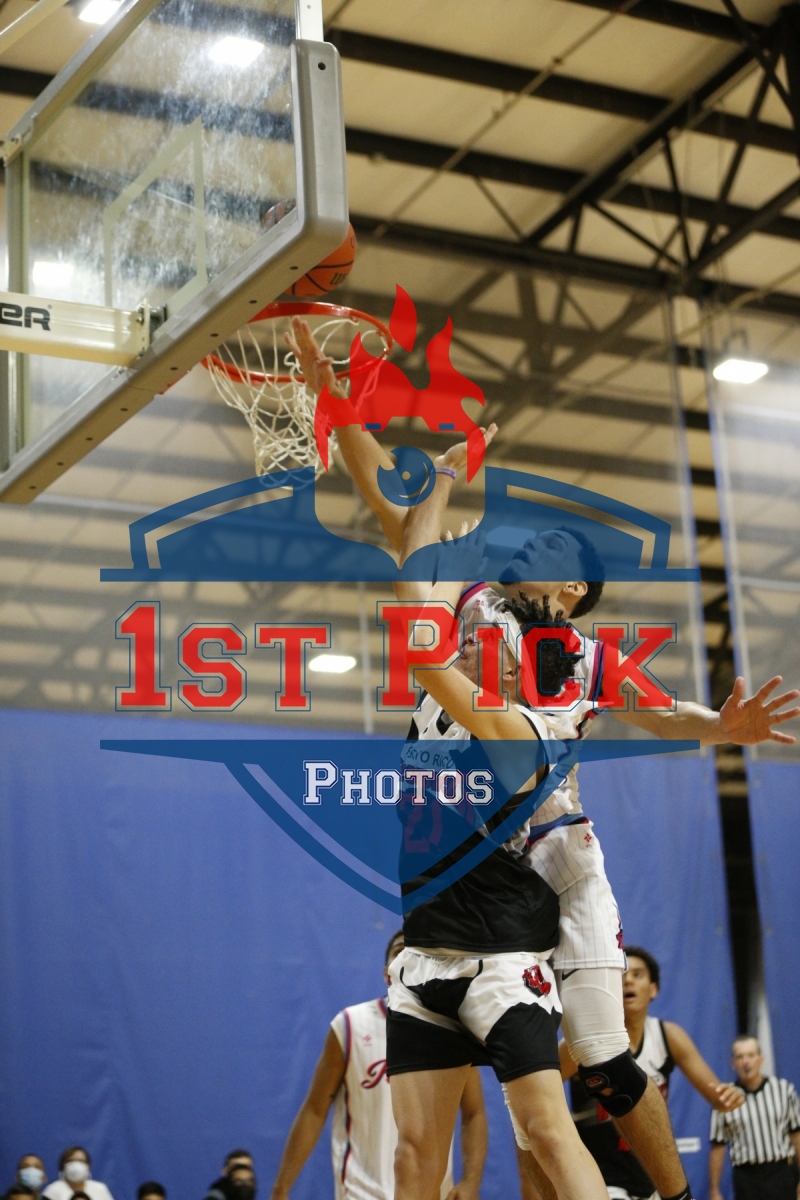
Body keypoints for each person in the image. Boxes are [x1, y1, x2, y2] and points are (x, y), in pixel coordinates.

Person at [286, 316, 800, 1200]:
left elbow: (661, 712)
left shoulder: (585, 662)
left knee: (597, 1061)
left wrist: (724, 727)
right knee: (483, 1128)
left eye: (551, 549)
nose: (528, 543)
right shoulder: (476, 603)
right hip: (466, 876)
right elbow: (394, 512)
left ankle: (671, 1189)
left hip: (548, 856)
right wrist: (332, 398)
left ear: (573, 590)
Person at [269, 930, 487, 1200]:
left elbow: (474, 1112)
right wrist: (281, 1189)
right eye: (400, 950)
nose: (408, 957)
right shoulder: (350, 1025)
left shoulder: (452, 1032)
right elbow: (314, 1110)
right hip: (361, 1193)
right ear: (387, 973)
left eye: (418, 953)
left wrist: (471, 1181)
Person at [530, 945, 745, 1200]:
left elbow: (717, 1096)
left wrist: (729, 1096)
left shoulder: (669, 1036)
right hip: (601, 1179)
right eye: (621, 975)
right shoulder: (581, 1042)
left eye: (637, 974)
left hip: (653, 1177)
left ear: (653, 989)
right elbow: (533, 1097)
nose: (628, 980)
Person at [709, 1036, 800, 1200]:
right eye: (740, 1057)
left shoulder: (783, 1090)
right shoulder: (724, 1098)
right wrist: (714, 1189)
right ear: (733, 1063)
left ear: (760, 1059)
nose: (746, 1062)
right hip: (747, 1178)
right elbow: (718, 1146)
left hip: (781, 1173)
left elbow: (796, 1136)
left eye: (751, 1055)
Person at [42, 1150, 113, 1200]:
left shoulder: (100, 1189)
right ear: (62, 1165)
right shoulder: (52, 1190)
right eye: (70, 1161)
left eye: (81, 1161)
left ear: (88, 1166)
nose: (75, 1165)